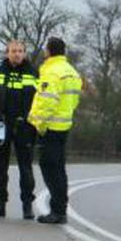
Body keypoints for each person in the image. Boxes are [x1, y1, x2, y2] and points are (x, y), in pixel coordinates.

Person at [0, 38, 40, 218]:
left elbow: (41, 100)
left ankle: (27, 205)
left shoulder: (33, 73)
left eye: (20, 51)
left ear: (25, 53)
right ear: (7, 53)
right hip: (1, 125)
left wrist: (34, 122)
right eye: (13, 51)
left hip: (25, 126)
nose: (17, 54)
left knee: (26, 168)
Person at [28, 36, 82, 224]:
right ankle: (60, 208)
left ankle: (57, 211)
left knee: (50, 168)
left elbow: (46, 101)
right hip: (64, 125)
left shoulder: (52, 72)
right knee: (59, 168)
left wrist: (37, 123)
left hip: (50, 127)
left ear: (48, 51)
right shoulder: (72, 72)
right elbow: (74, 101)